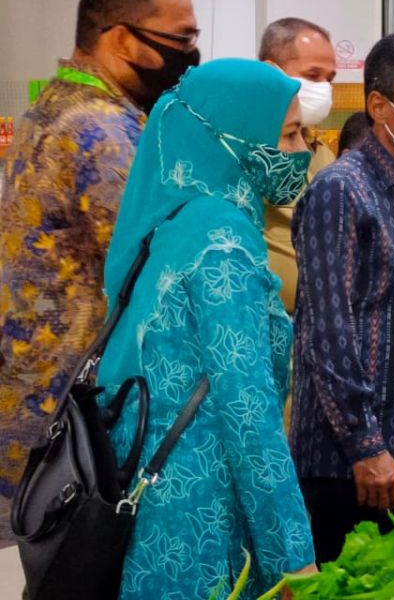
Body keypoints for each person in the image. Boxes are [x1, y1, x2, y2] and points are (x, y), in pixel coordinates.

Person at [95, 59, 315, 598]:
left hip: (145, 488)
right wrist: (294, 561)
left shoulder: (175, 219)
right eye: (288, 133)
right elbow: (249, 413)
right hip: (198, 513)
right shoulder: (224, 244)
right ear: (233, 138)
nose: (301, 148)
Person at [0, 0, 197, 540]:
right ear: (119, 39)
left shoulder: (48, 108)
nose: (191, 51)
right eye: (180, 38)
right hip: (81, 420)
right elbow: (159, 266)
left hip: (32, 401)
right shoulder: (103, 132)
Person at [290, 30, 394, 564]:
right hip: (353, 463)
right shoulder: (342, 190)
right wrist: (365, 445)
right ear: (379, 106)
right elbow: (327, 329)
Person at [258, 17, 338, 314]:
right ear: (271, 71)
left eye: (329, 79)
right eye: (313, 75)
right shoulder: (248, 148)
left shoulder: (322, 152)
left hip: (318, 329)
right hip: (263, 325)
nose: (324, 89)